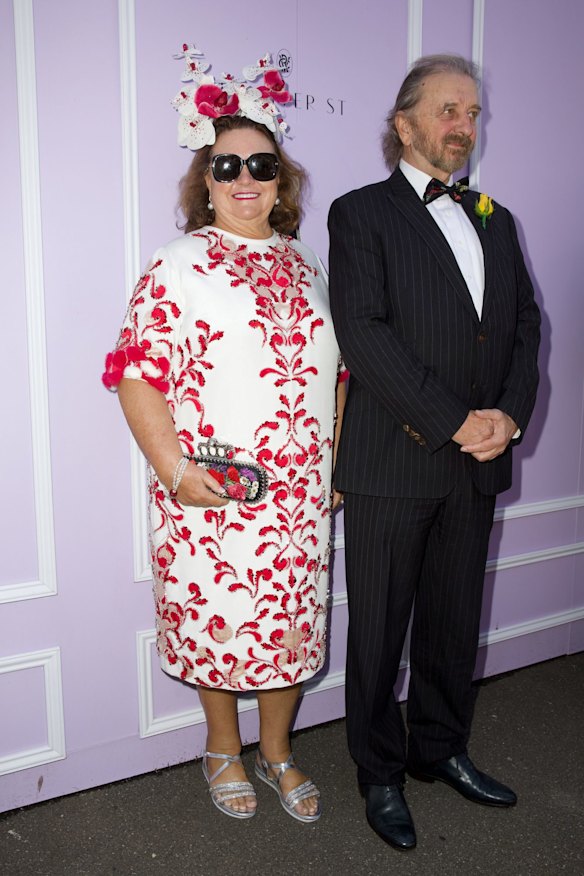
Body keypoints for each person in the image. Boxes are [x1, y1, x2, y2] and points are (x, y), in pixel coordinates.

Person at [103, 44, 345, 822]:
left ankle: (277, 752)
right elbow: (136, 374)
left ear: (283, 183)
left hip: (301, 491)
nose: (246, 179)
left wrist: (338, 458)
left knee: (287, 628)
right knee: (220, 619)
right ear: (205, 182)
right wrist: (176, 470)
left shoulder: (308, 266)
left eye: (262, 166)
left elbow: (338, 374)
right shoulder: (175, 264)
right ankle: (220, 747)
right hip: (209, 486)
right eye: (228, 165)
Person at [328, 54, 540, 850]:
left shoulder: (496, 216)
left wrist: (509, 417)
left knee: (453, 623)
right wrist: (457, 420)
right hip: (393, 462)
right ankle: (379, 770)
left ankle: (439, 748)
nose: (463, 125)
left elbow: (525, 328)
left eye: (474, 112)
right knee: (380, 629)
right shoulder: (358, 214)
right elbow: (368, 336)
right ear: (404, 123)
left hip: (478, 462)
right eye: (448, 109)